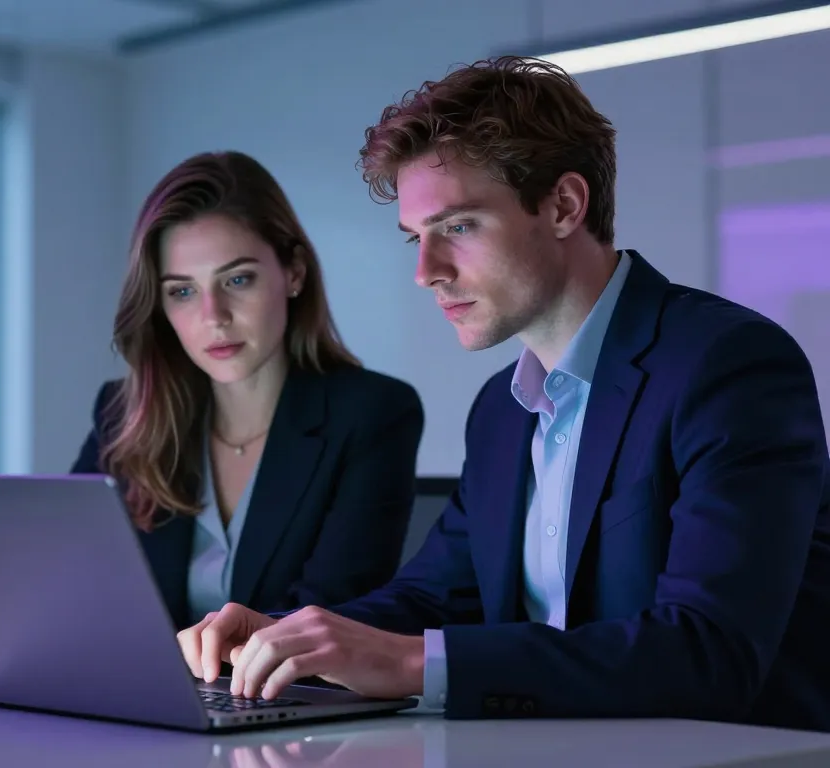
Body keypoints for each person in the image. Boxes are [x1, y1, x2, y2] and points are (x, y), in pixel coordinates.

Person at [176, 58, 830, 731]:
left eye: (457, 227)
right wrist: (277, 636)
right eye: (415, 238)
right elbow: (433, 598)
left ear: (563, 206)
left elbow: (708, 653)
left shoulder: (726, 365)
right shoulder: (501, 409)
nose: (425, 272)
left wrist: (411, 665)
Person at [71, 150, 424, 631]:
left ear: (293, 273)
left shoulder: (372, 413)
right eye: (182, 291)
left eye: (238, 279)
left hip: (289, 694)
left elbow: (333, 616)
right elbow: (69, 586)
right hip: (141, 694)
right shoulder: (123, 413)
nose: (213, 316)